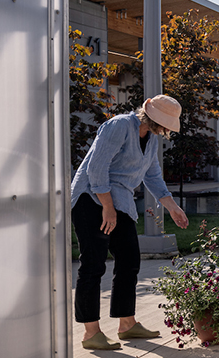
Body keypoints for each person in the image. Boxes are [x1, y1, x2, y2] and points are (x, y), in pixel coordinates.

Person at [68, 95, 190, 351]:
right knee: (93, 263)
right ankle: (91, 332)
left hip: (119, 200)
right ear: (149, 113)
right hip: (92, 198)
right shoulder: (119, 126)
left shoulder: (151, 139)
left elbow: (153, 176)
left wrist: (173, 207)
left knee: (129, 260)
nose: (165, 129)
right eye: (163, 122)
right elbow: (96, 169)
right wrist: (107, 209)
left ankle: (127, 324)